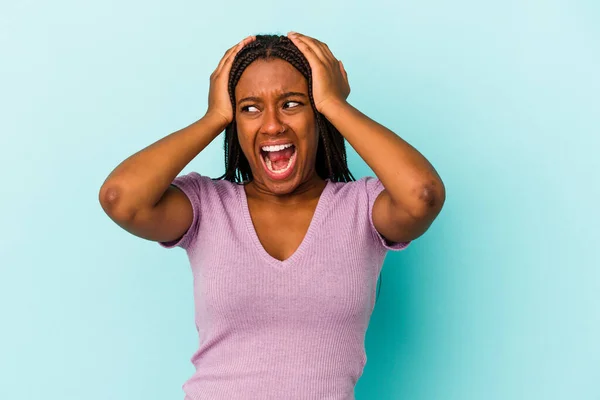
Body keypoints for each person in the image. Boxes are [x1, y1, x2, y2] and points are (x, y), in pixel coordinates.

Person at [99, 32, 445, 400]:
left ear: (318, 115)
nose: (272, 125)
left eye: (292, 103)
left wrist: (335, 103)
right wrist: (214, 117)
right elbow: (121, 199)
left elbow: (422, 196)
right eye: (249, 108)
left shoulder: (361, 208)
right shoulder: (206, 206)